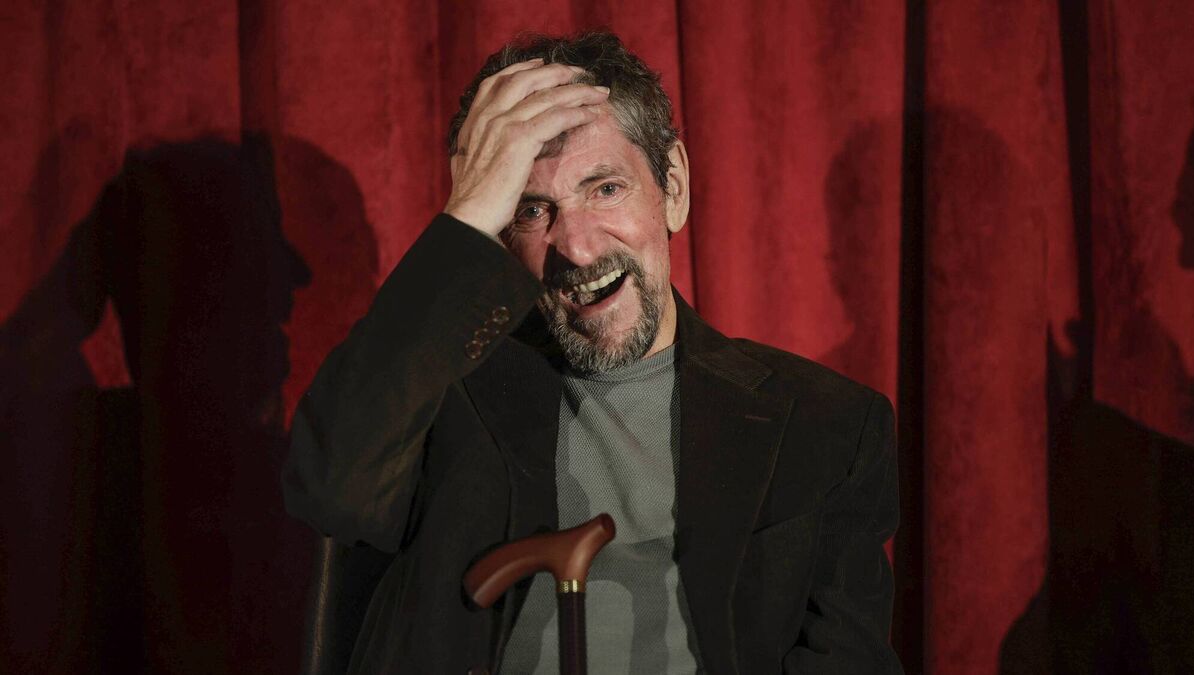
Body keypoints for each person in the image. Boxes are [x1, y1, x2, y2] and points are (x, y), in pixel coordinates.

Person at [283, 31, 902, 674]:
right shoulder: (437, 392)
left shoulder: (828, 426)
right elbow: (330, 490)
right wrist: (466, 216)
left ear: (673, 186)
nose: (576, 247)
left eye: (605, 188)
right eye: (532, 210)